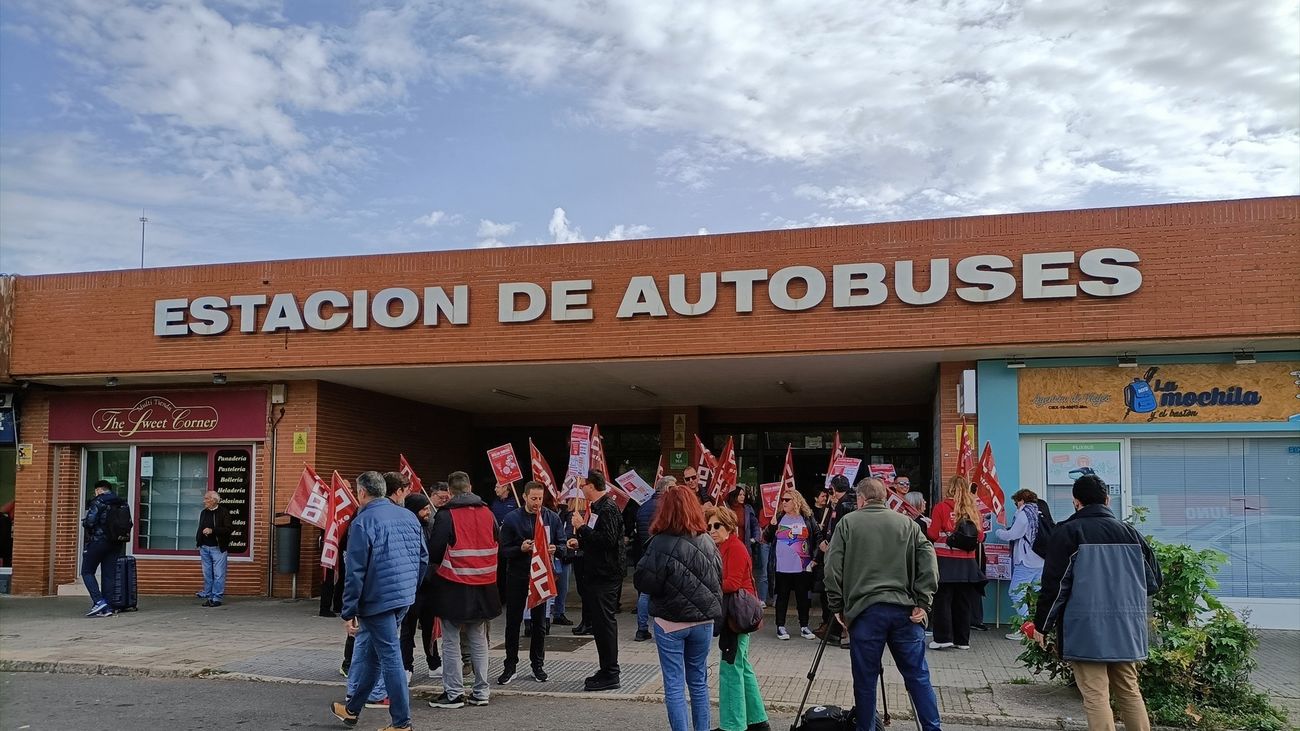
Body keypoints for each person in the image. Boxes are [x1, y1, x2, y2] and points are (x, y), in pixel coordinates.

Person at [1033, 474, 1161, 731]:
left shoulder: (1068, 532)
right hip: (1127, 627)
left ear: (1076, 502)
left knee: (1095, 695)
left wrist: (1041, 625)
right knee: (1129, 691)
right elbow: (1153, 582)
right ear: (1107, 500)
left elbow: (1055, 586)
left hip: (1085, 628)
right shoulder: (1131, 534)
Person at [825, 477, 942, 731]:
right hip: (905, 611)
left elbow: (832, 568)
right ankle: (933, 728)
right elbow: (929, 564)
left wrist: (836, 606)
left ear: (861, 499)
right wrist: (923, 601)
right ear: (885, 498)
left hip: (865, 612)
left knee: (865, 681)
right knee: (918, 677)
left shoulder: (848, 523)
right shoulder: (908, 524)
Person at [330, 471, 428, 731]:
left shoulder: (363, 522)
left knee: (390, 658)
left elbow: (355, 571)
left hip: (377, 599)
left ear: (362, 493)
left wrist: (348, 609)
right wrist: (410, 588)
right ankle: (352, 709)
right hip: (402, 596)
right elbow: (422, 558)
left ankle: (401, 723)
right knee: (375, 655)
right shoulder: (408, 516)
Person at [634, 485, 723, 731]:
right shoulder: (707, 540)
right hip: (703, 621)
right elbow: (718, 577)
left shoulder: (659, 542)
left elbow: (645, 582)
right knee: (698, 681)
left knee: (674, 684)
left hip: (671, 621)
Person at [427, 470, 502, 709]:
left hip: (454, 584)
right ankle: (481, 691)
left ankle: (454, 693)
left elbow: (435, 550)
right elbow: (496, 539)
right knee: (478, 639)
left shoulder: (446, 515)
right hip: (485, 585)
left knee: (450, 640)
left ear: (449, 491)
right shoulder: (488, 512)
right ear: (469, 487)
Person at [706, 504, 770, 731]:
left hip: (737, 613)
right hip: (736, 613)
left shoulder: (734, 547)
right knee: (741, 665)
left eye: (716, 525)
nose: (711, 529)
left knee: (731, 667)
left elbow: (731, 583)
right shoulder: (724, 546)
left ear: (729, 526)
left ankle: (733, 725)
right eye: (709, 526)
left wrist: (706, 585)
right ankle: (757, 721)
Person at [498, 481, 565, 684]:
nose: (537, 503)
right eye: (533, 498)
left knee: (539, 623)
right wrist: (521, 548)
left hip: (541, 577)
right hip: (518, 575)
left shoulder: (551, 517)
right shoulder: (511, 519)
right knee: (513, 622)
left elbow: (562, 543)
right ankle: (510, 665)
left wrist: (556, 548)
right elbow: (503, 550)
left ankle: (538, 665)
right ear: (525, 497)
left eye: (540, 498)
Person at [565, 470, 626, 691]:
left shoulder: (608, 508)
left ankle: (611, 672)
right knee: (599, 626)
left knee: (604, 624)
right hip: (597, 573)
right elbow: (598, 541)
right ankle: (605, 668)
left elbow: (608, 541)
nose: (581, 490)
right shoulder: (599, 508)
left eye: (583, 486)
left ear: (591, 485)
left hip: (606, 576)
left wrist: (581, 527)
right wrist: (580, 542)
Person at [927, 475, 984, 650]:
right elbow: (980, 536)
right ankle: (962, 640)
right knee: (963, 603)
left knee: (942, 601)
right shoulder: (973, 510)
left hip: (945, 561)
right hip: (967, 564)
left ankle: (943, 638)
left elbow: (933, 534)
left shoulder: (941, 508)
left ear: (949, 489)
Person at [763, 490, 821, 641]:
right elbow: (766, 538)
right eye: (782, 499)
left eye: (787, 499)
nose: (784, 502)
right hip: (782, 566)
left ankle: (804, 626)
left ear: (796, 501)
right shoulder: (779, 517)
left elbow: (817, 537)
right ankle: (780, 626)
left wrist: (815, 558)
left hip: (802, 565)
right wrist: (771, 526)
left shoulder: (807, 517)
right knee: (782, 596)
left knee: (803, 597)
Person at [399, 492, 440, 681]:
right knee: (407, 628)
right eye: (424, 509)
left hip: (430, 586)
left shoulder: (432, 526)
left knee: (430, 627)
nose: (428, 512)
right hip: (410, 586)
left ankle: (434, 663)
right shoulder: (404, 528)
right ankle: (406, 666)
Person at [996, 488, 1046, 639]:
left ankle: (1027, 628)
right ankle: (1040, 628)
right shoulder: (1040, 512)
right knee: (1037, 594)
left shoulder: (1024, 514)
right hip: (1041, 560)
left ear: (1021, 500)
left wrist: (999, 533)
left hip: (1027, 560)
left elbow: (1014, 534)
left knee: (1016, 593)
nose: (1016, 505)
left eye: (1016, 502)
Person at [634, 475, 676, 641]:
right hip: (664, 553)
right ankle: (666, 627)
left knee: (645, 593)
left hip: (646, 554)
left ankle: (641, 629)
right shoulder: (666, 507)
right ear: (666, 489)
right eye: (673, 488)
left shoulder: (643, 507)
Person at [80, 480, 126, 617]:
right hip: (116, 542)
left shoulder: (98, 502)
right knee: (109, 575)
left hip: (98, 541)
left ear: (99, 490)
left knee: (87, 571)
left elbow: (90, 522)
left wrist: (85, 523)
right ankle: (108, 607)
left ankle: (99, 601)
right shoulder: (122, 502)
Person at [195, 491, 233, 608]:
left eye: (206, 499)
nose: (204, 501)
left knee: (219, 574)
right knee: (207, 574)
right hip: (204, 547)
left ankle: (217, 597)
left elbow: (228, 529)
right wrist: (199, 541)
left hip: (218, 548)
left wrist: (213, 530)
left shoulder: (223, 512)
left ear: (214, 500)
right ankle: (209, 596)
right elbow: (200, 527)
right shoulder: (204, 513)